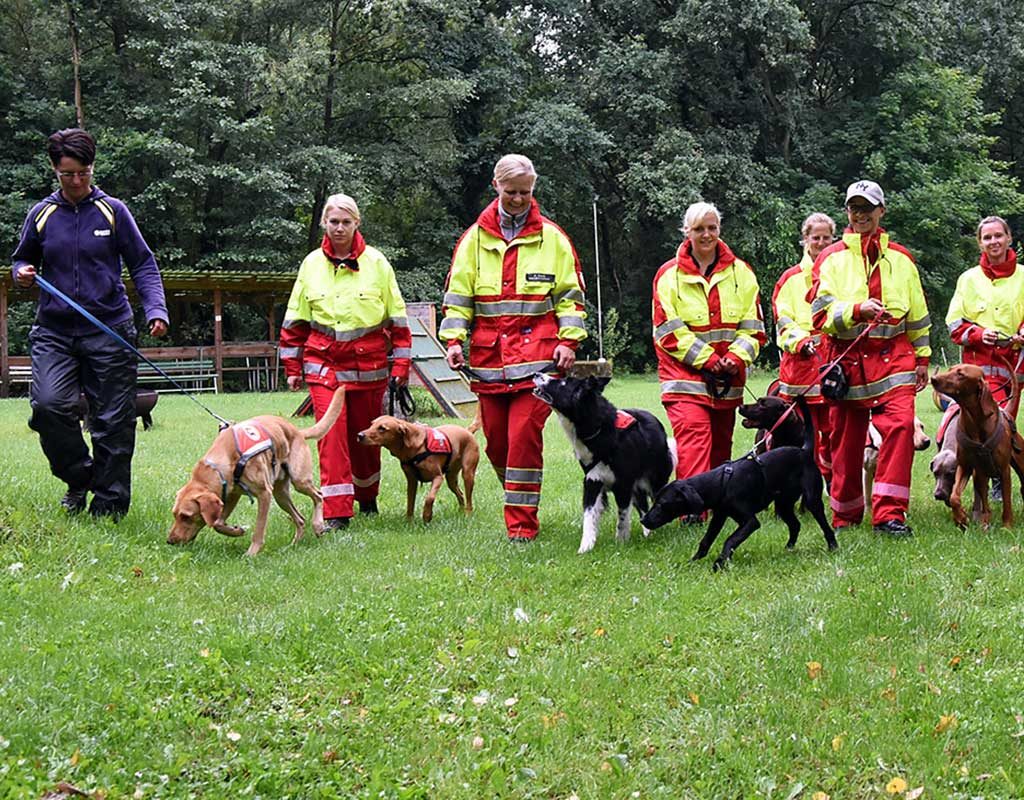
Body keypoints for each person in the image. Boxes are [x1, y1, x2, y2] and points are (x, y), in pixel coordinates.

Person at [11, 128, 169, 519]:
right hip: (54, 331)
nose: (78, 181)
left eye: (84, 172)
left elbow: (143, 264)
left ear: (92, 168)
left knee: (113, 421)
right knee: (48, 408)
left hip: (109, 328)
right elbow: (20, 259)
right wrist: (22, 272)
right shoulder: (42, 214)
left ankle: (109, 507)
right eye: (68, 175)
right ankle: (80, 477)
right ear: (55, 170)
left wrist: (156, 309)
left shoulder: (113, 211)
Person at [440, 154, 586, 542]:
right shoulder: (473, 240)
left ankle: (521, 526)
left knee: (523, 439)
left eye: (526, 192)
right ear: (496, 187)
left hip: (538, 359)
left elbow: (571, 297)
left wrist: (568, 342)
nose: (519, 199)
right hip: (489, 362)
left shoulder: (552, 238)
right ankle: (519, 497)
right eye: (512, 192)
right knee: (498, 446)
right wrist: (453, 341)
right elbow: (457, 299)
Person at [279, 193, 411, 529]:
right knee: (331, 436)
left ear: (357, 224)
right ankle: (337, 511)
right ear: (324, 223)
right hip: (325, 365)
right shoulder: (310, 265)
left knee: (366, 437)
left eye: (346, 222)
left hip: (370, 368)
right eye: (333, 221)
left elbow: (398, 318)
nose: (339, 228)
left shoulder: (378, 264)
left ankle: (367, 496)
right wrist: (292, 367)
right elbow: (295, 319)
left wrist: (401, 367)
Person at [809, 180, 930, 536]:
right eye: (854, 208)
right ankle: (845, 516)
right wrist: (856, 310)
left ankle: (889, 515)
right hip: (847, 362)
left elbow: (919, 314)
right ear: (847, 212)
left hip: (895, 360)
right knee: (845, 443)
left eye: (867, 208)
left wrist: (922, 357)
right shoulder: (830, 258)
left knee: (902, 428)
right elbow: (819, 315)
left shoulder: (903, 259)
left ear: (882, 211)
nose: (860, 215)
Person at [652, 201, 766, 502]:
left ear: (720, 229)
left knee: (719, 445)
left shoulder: (742, 273)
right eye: (699, 229)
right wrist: (711, 360)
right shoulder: (668, 275)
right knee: (694, 439)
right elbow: (668, 331)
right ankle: (690, 510)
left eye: (711, 228)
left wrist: (735, 358)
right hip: (684, 377)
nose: (706, 234)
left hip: (727, 378)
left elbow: (753, 327)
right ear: (686, 231)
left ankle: (715, 504)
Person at [772, 212, 836, 483]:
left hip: (833, 364)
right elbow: (782, 321)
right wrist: (801, 341)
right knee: (796, 433)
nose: (821, 242)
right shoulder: (791, 278)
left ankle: (832, 487)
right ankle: (790, 486)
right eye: (815, 237)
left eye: (826, 237)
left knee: (834, 432)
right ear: (805, 240)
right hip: (799, 370)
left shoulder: (841, 272)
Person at [946, 216, 1024, 407]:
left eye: (998, 235)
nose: (993, 241)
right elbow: (954, 324)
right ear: (980, 243)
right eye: (987, 237)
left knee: (1006, 428)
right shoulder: (968, 279)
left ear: (1009, 238)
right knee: (991, 426)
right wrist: (980, 335)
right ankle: (943, 437)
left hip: (1015, 366)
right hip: (978, 368)